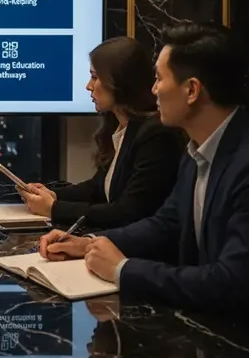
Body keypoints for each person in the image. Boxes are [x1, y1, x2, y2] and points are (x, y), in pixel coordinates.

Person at [39, 23, 249, 358]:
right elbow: (167, 224)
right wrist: (89, 244)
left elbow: (232, 284)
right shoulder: (198, 149)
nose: (153, 90)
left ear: (192, 91)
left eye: (159, 79)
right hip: (219, 345)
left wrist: (123, 269)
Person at [19, 37, 182, 229]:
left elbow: (128, 212)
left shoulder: (156, 134)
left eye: (95, 77)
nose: (89, 86)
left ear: (119, 81)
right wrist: (53, 195)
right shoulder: (121, 126)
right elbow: (98, 187)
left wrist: (54, 208)